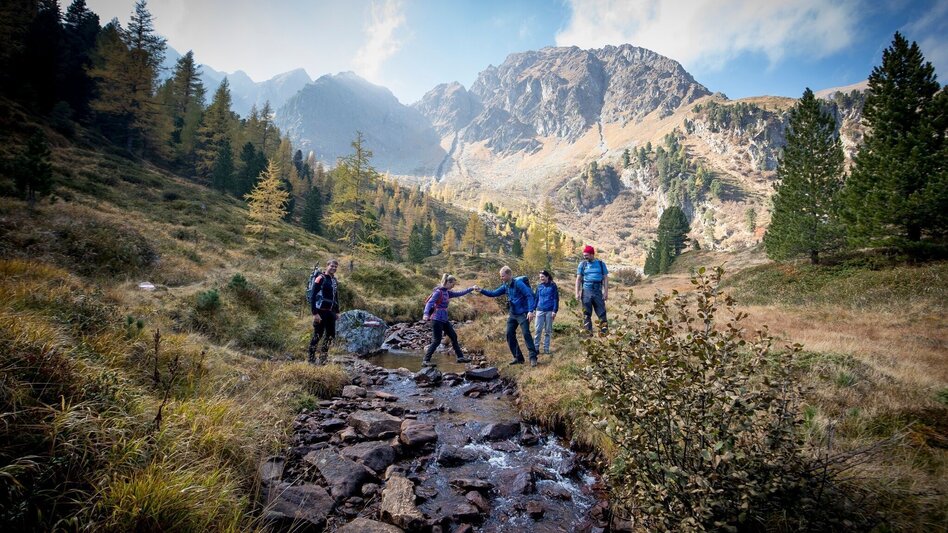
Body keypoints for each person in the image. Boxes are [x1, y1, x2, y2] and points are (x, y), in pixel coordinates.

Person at [478, 266, 538, 366]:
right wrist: (481, 290)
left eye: (503, 276)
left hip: (523, 313)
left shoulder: (518, 283)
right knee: (509, 334)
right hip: (513, 314)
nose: (501, 278)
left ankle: (533, 357)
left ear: (509, 275)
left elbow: (529, 296)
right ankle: (518, 358)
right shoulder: (505, 285)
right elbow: (493, 293)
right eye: (500, 276)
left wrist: (531, 311)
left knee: (526, 333)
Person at [422, 274, 477, 366]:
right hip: (436, 319)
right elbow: (430, 303)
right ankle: (425, 361)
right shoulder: (438, 292)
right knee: (437, 341)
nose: (453, 286)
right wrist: (426, 314)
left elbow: (460, 293)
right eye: (453, 284)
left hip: (444, 319)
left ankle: (460, 357)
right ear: (448, 282)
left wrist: (471, 288)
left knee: (453, 336)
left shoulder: (447, 292)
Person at [308, 259, 340, 364]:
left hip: (330, 313)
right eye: (332, 266)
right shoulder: (320, 278)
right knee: (317, 335)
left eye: (335, 267)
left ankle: (323, 358)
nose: (334, 268)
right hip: (320, 312)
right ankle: (311, 359)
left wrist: (337, 311)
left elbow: (336, 297)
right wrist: (315, 313)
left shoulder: (334, 280)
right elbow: (312, 296)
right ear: (327, 266)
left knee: (330, 335)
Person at [575, 245, 608, 334]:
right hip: (586, 291)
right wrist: (577, 292)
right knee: (586, 313)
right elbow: (578, 279)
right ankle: (588, 334)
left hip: (598, 291)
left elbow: (605, 278)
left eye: (586, 255)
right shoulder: (582, 264)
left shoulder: (601, 264)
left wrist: (605, 292)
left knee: (602, 312)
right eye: (584, 255)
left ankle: (604, 333)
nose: (584, 257)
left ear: (592, 254)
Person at [533, 270, 559, 355]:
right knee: (537, 330)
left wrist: (554, 311)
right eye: (540, 277)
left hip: (549, 311)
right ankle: (536, 348)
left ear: (547, 276)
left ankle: (546, 349)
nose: (541, 278)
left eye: (542, 277)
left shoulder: (553, 286)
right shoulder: (539, 286)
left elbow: (556, 299)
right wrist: (533, 309)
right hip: (539, 310)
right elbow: (536, 298)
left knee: (548, 331)